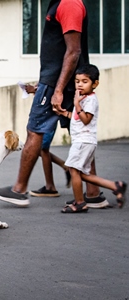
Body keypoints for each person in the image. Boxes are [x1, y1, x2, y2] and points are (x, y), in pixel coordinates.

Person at [0, 0, 107, 207]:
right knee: (80, 133)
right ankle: (93, 192)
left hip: (56, 84)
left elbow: (73, 52)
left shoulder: (69, 3)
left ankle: (18, 189)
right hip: (56, 82)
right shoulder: (60, 3)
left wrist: (58, 89)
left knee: (35, 131)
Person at [59, 64, 126, 213]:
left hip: (84, 141)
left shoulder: (90, 100)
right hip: (83, 141)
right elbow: (77, 118)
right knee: (82, 174)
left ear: (95, 84)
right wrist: (64, 114)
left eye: (84, 81)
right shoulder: (84, 98)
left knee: (73, 170)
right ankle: (116, 186)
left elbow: (86, 119)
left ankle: (80, 203)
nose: (80, 85)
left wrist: (76, 104)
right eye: (77, 81)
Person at [24, 84, 71, 198]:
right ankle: (64, 167)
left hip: (49, 112)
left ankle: (50, 186)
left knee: (42, 148)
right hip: (48, 111)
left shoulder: (56, 71)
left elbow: (51, 88)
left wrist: (35, 89)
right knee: (41, 148)